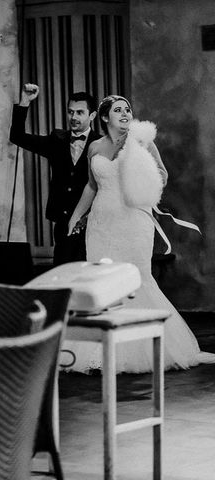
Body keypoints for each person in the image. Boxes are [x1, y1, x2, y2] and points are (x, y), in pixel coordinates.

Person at [65, 94, 215, 373]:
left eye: (128, 109)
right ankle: (99, 353)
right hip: (101, 223)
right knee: (103, 281)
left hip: (133, 219)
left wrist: (138, 165)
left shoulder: (142, 141)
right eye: (118, 110)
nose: (124, 113)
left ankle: (147, 349)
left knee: (137, 279)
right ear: (104, 116)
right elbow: (91, 186)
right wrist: (76, 216)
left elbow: (162, 175)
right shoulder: (95, 146)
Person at [10, 83, 100, 265]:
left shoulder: (101, 144)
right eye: (70, 112)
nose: (73, 117)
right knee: (63, 277)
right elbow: (17, 137)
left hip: (94, 225)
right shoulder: (57, 141)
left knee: (91, 280)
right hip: (63, 224)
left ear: (92, 115)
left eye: (80, 112)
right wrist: (25, 101)